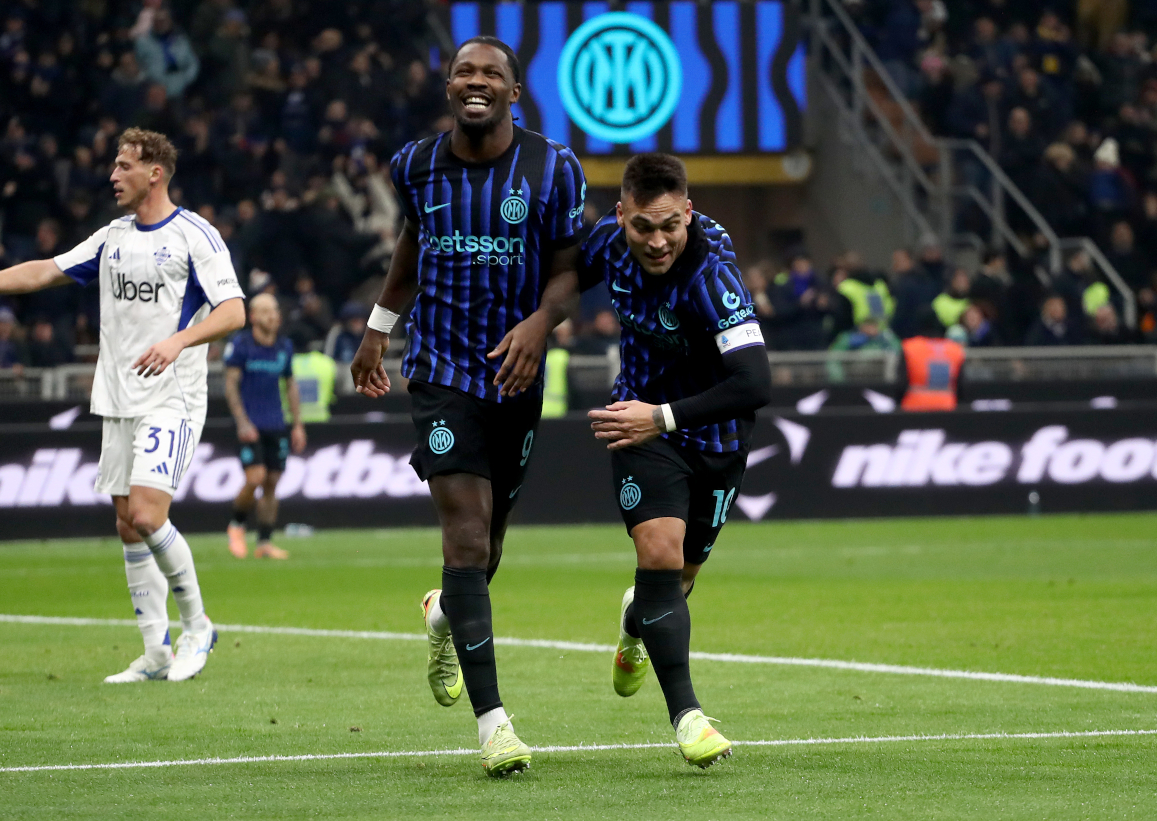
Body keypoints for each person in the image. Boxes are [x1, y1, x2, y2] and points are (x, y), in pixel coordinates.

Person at [349, 36, 585, 777]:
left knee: (489, 549)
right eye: (464, 72)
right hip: (442, 370)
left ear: (514, 92)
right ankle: (494, 724)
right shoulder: (414, 165)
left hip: (516, 377)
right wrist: (375, 333)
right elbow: (411, 250)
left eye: (491, 74)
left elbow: (569, 270)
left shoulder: (555, 167)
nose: (475, 82)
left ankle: (447, 612)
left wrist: (540, 325)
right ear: (448, 85)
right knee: (467, 536)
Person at [0, 127, 245, 682]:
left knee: (149, 515)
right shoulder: (112, 237)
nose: (112, 175)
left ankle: (198, 626)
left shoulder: (196, 236)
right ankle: (155, 651)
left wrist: (177, 342)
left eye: (124, 165)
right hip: (119, 396)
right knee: (128, 524)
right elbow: (44, 271)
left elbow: (233, 311)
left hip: (171, 397)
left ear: (155, 173)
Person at [581, 153, 771, 769]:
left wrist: (662, 414)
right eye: (643, 227)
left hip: (712, 439)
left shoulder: (713, 276)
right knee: (658, 553)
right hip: (638, 426)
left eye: (670, 225)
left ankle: (635, 624)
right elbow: (554, 274)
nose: (657, 241)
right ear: (621, 216)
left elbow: (755, 383)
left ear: (689, 211)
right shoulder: (608, 243)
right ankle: (689, 719)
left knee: (678, 582)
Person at [223, 292, 305, 560]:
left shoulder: (284, 347)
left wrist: (297, 425)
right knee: (255, 478)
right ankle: (236, 525)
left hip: (276, 424)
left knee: (271, 482)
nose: (274, 316)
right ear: (254, 316)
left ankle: (264, 542)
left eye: (276, 311)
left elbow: (290, 385)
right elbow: (231, 386)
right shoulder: (241, 345)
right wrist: (242, 422)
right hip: (251, 425)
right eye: (268, 311)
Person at [899, 308, 965, 411]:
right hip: (947, 407)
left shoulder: (909, 347)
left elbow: (901, 383)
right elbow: (961, 386)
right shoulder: (955, 349)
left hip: (915, 407)